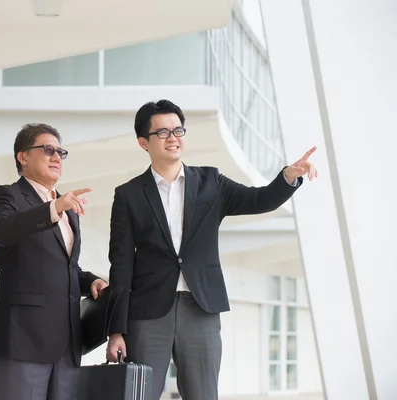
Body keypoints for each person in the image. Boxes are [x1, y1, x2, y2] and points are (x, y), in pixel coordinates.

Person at [105, 100, 318, 400]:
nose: (173, 137)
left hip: (200, 307)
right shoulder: (127, 195)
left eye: (178, 130)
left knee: (203, 395)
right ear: (144, 142)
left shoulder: (210, 182)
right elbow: (121, 264)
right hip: (147, 313)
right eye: (163, 132)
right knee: (139, 396)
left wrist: (289, 177)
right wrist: (116, 329)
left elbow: (259, 200)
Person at [0, 123, 108, 400]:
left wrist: (92, 281)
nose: (56, 157)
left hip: (67, 342)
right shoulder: (7, 195)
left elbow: (66, 267)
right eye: (48, 150)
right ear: (22, 157)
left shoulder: (68, 209)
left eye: (61, 152)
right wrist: (53, 209)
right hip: (22, 339)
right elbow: (2, 231)